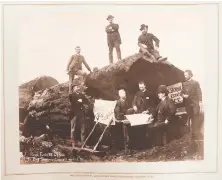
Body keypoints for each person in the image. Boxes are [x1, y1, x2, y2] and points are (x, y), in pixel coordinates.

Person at [181, 70, 203, 144]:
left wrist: (200, 101)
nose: (185, 76)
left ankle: (196, 134)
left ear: (190, 75)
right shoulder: (184, 84)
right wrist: (183, 95)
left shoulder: (195, 83)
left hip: (195, 103)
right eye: (184, 75)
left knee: (195, 117)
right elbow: (182, 92)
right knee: (191, 117)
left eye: (186, 75)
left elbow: (199, 92)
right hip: (188, 104)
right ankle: (193, 135)